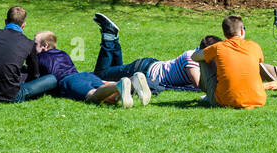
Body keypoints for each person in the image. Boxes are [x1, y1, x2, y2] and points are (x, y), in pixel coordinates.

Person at [90, 12, 222, 104]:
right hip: (144, 70)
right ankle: (109, 34)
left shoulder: (196, 54)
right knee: (99, 74)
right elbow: (200, 85)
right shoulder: (191, 59)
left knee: (115, 73)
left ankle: (112, 36)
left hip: (149, 66)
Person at [34, 31, 124, 105]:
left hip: (69, 81)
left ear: (45, 45)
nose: (32, 47)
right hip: (84, 75)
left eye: (35, 44)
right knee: (108, 98)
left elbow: (35, 77)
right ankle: (131, 81)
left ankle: (118, 85)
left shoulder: (39, 57)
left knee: (93, 96)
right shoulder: (63, 53)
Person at [198, 15, 267, 109]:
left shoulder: (218, 47)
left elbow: (194, 57)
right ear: (242, 31)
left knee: (202, 58)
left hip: (225, 101)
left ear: (224, 33)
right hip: (258, 100)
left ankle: (209, 93)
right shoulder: (255, 46)